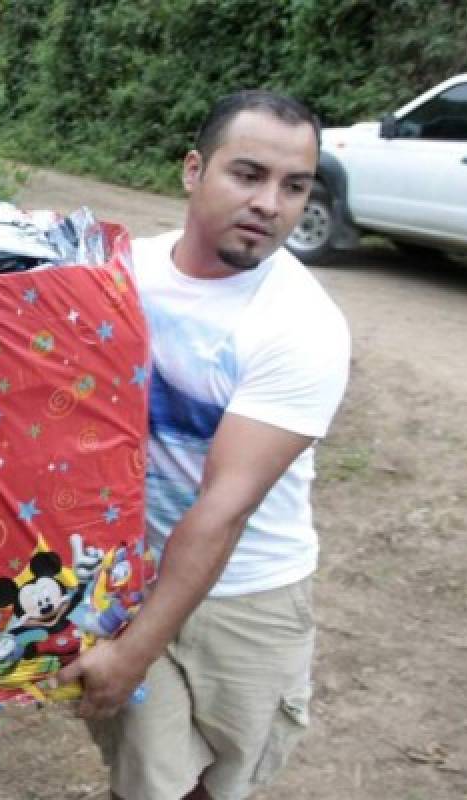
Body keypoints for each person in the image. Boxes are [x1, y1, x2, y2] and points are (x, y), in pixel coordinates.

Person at [53, 90, 351, 799]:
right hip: (128, 578)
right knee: (147, 785)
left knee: (222, 785)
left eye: (294, 186)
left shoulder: (303, 326)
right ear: (194, 171)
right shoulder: (119, 275)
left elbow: (223, 509)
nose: (270, 203)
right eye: (247, 175)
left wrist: (134, 652)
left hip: (250, 596)